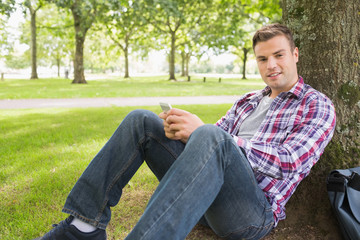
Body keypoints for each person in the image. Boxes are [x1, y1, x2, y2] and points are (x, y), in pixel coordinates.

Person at [34, 23, 336, 240]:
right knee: (141, 121)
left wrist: (207, 134)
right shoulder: (248, 101)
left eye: (279, 55)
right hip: (205, 195)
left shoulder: (316, 105)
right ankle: (82, 228)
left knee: (210, 135)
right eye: (262, 58)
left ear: (295, 54)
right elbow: (211, 144)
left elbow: (289, 163)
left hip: (251, 215)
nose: (271, 65)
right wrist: (183, 132)